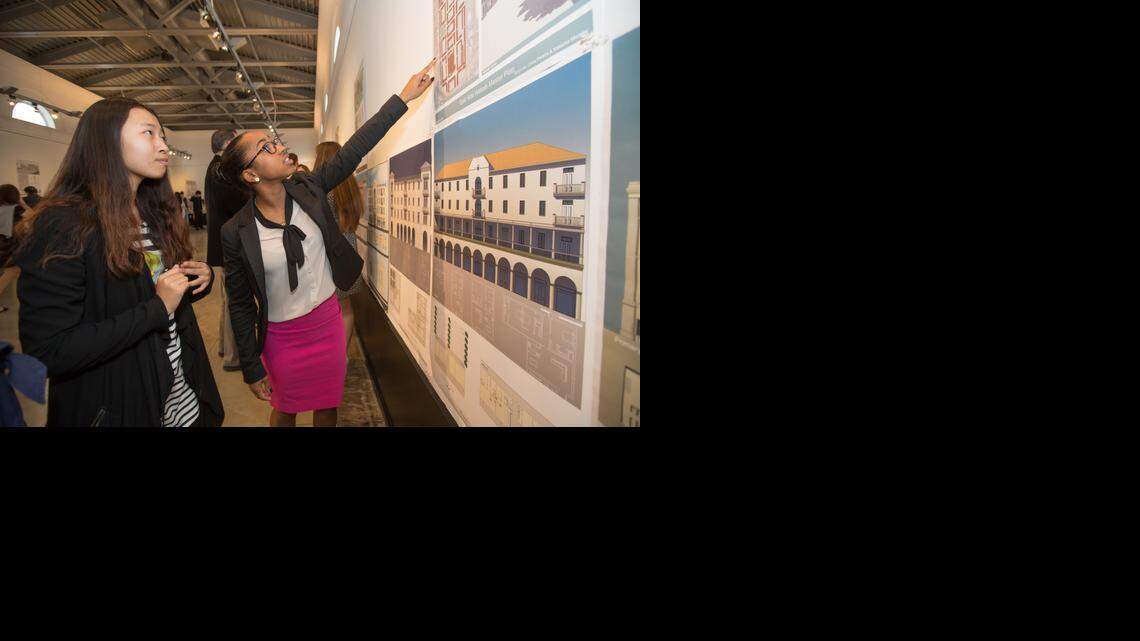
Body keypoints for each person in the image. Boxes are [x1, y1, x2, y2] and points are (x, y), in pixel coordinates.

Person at [217, 58, 434, 427]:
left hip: (327, 322)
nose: (277, 147)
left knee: (327, 404)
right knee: (284, 408)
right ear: (250, 174)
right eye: (265, 148)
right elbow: (239, 303)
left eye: (273, 140)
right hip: (281, 334)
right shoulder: (235, 232)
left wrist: (403, 98)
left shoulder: (309, 189)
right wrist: (252, 367)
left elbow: (352, 150)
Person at [12, 97, 223, 427]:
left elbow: (145, 295)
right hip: (122, 406)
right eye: (149, 133)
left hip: (180, 400)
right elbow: (51, 349)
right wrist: (158, 307)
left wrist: (196, 280)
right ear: (106, 140)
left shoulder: (150, 214)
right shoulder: (62, 224)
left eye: (163, 137)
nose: (163, 146)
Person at [205, 129, 249, 372]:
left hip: (223, 245)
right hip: (230, 245)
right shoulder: (222, 169)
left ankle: (225, 347)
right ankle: (234, 356)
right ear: (228, 143)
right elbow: (239, 201)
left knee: (228, 299)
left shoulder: (216, 168)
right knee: (236, 300)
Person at [314, 142, 365, 350]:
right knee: (345, 308)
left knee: (326, 309)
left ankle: (331, 355)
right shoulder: (350, 185)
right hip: (349, 255)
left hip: (328, 256)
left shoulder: (322, 189)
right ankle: (341, 353)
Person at [0, 184, 26, 313]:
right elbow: (35, 217)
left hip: (3, 246)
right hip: (6, 248)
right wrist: (22, 203)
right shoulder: (15, 210)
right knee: (12, 272)